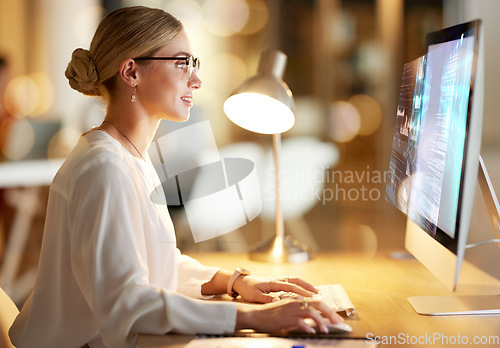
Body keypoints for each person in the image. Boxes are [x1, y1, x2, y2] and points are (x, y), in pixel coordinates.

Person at [9, 6, 342, 348]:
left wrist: (233, 282)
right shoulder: (104, 169)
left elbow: (155, 265)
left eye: (194, 65)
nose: (195, 81)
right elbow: (128, 304)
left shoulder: (128, 156)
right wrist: (255, 318)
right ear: (131, 72)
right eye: (183, 63)